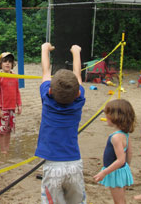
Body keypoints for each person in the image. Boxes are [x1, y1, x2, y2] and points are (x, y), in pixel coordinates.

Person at [35, 43, 86, 204]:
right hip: (74, 165)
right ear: (77, 92)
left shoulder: (47, 100)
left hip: (53, 168)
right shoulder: (79, 100)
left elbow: (45, 71)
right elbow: (78, 75)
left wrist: (45, 49)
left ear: (50, 91)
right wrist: (76, 52)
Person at [94, 99, 136, 204]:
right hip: (122, 171)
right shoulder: (125, 134)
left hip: (115, 172)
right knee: (121, 199)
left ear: (114, 117)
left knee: (119, 201)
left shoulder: (116, 137)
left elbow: (121, 160)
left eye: (107, 115)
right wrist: (126, 169)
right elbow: (129, 153)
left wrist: (104, 172)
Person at [0, 52, 22, 154]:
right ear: (0, 63)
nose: (7, 63)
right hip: (3, 109)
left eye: (10, 62)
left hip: (12, 108)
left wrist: (19, 105)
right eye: (5, 61)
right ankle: (2, 150)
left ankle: (7, 148)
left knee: (9, 129)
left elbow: (17, 92)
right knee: (2, 130)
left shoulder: (15, 76)